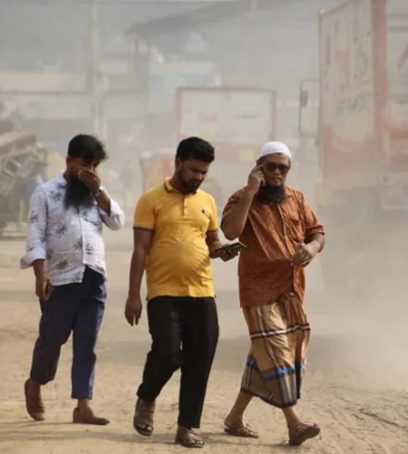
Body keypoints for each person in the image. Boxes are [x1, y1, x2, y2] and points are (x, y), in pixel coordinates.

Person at [124, 137, 239, 448]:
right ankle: (147, 396)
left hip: (202, 292)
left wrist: (223, 251)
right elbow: (140, 249)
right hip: (163, 292)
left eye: (203, 172)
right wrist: (133, 294)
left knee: (200, 359)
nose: (198, 177)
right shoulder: (151, 199)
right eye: (193, 170)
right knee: (167, 353)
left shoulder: (208, 201)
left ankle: (187, 426)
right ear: (178, 163)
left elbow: (212, 243)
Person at [220, 141, 325, 446]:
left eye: (283, 167)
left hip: (291, 290)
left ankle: (234, 418)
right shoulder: (241, 197)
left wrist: (312, 248)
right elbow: (230, 231)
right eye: (271, 166)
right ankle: (295, 423)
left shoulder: (297, 198)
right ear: (259, 167)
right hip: (259, 291)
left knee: (265, 355)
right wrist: (251, 192)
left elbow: (317, 232)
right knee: (278, 354)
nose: (277, 172)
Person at [20, 134, 125, 425]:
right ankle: (35, 383)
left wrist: (99, 191)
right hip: (60, 279)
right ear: (69, 161)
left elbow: (117, 222)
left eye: (94, 166)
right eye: (84, 164)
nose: (89, 171)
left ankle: (83, 405)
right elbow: (35, 236)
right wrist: (40, 274)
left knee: (86, 343)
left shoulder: (96, 192)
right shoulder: (45, 192)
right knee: (52, 339)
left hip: (94, 277)